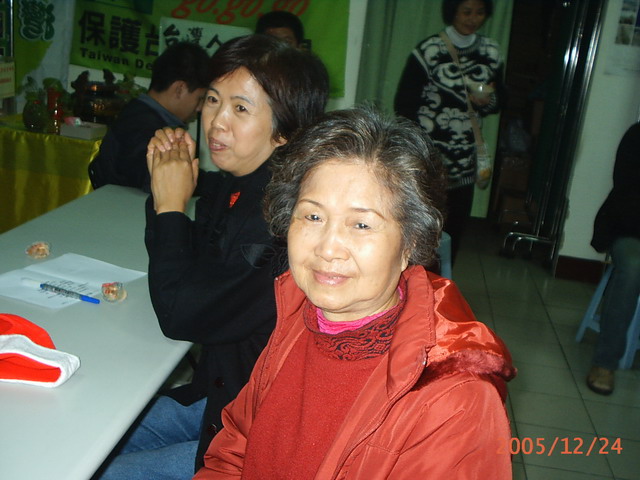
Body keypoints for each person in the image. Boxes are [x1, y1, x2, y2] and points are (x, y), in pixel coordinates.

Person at [193, 106, 516, 479]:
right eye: (313, 216)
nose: (328, 248)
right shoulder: (300, 313)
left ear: (410, 243)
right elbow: (233, 452)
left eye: (361, 225)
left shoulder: (454, 397)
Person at [95, 35, 329, 480]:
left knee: (99, 469)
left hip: (259, 437)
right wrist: (169, 190)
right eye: (213, 100)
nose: (216, 122)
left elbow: (181, 315)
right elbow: (194, 269)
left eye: (241, 109)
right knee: (91, 428)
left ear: (284, 130)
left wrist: (170, 205)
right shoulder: (242, 182)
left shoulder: (282, 221)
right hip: (222, 395)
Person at [394, 0, 503, 262]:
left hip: (465, 157)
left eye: (480, 13)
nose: (473, 19)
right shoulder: (430, 50)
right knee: (423, 228)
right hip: (430, 158)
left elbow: (500, 100)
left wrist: (486, 101)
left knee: (454, 229)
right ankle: (417, 280)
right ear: (452, 11)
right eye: (466, 12)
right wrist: (417, 147)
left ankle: (444, 280)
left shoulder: (491, 51)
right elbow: (404, 103)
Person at [88, 41, 211, 192]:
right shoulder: (146, 129)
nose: (200, 108)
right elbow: (163, 183)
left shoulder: (137, 112)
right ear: (179, 89)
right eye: (200, 98)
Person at [587, 122, 640, 395]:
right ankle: (605, 362)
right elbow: (627, 194)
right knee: (633, 266)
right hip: (631, 227)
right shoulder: (636, 136)